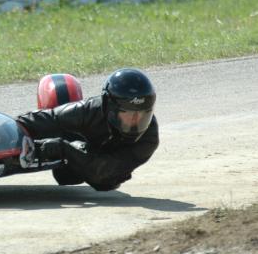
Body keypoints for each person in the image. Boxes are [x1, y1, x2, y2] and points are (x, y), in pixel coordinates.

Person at [16, 68, 159, 191]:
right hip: (75, 158)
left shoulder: (149, 138)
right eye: (127, 114)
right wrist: (8, 130)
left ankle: (68, 147)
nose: (135, 121)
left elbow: (104, 173)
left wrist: (65, 148)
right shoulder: (91, 109)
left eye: (141, 114)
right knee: (67, 177)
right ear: (110, 108)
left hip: (107, 174)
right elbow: (48, 117)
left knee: (104, 184)